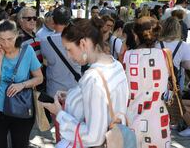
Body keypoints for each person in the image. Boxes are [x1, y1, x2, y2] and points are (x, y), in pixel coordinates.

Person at [41, 18, 129, 148]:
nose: (69, 56)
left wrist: (59, 113)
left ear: (83, 44)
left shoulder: (93, 78)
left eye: (69, 49)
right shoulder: (115, 65)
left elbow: (93, 137)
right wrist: (74, 95)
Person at [0, 20, 43, 148]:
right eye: (2, 39)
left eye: (10, 39)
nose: (6, 44)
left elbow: (39, 78)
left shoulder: (27, 51)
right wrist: (0, 57)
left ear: (17, 35)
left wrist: (22, 85)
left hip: (21, 108)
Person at [123, 16, 171, 147]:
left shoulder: (127, 57)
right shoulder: (165, 55)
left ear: (135, 35)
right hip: (158, 120)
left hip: (132, 119)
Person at [40, 6, 81, 142]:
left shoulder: (45, 41)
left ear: (53, 21)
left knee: (60, 131)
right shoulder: (78, 40)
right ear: (69, 22)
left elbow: (46, 61)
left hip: (55, 93)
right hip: (76, 91)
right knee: (75, 131)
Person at [156, 17, 190, 92]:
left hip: (157, 79)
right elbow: (188, 65)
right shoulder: (184, 45)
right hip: (174, 81)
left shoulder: (156, 44)